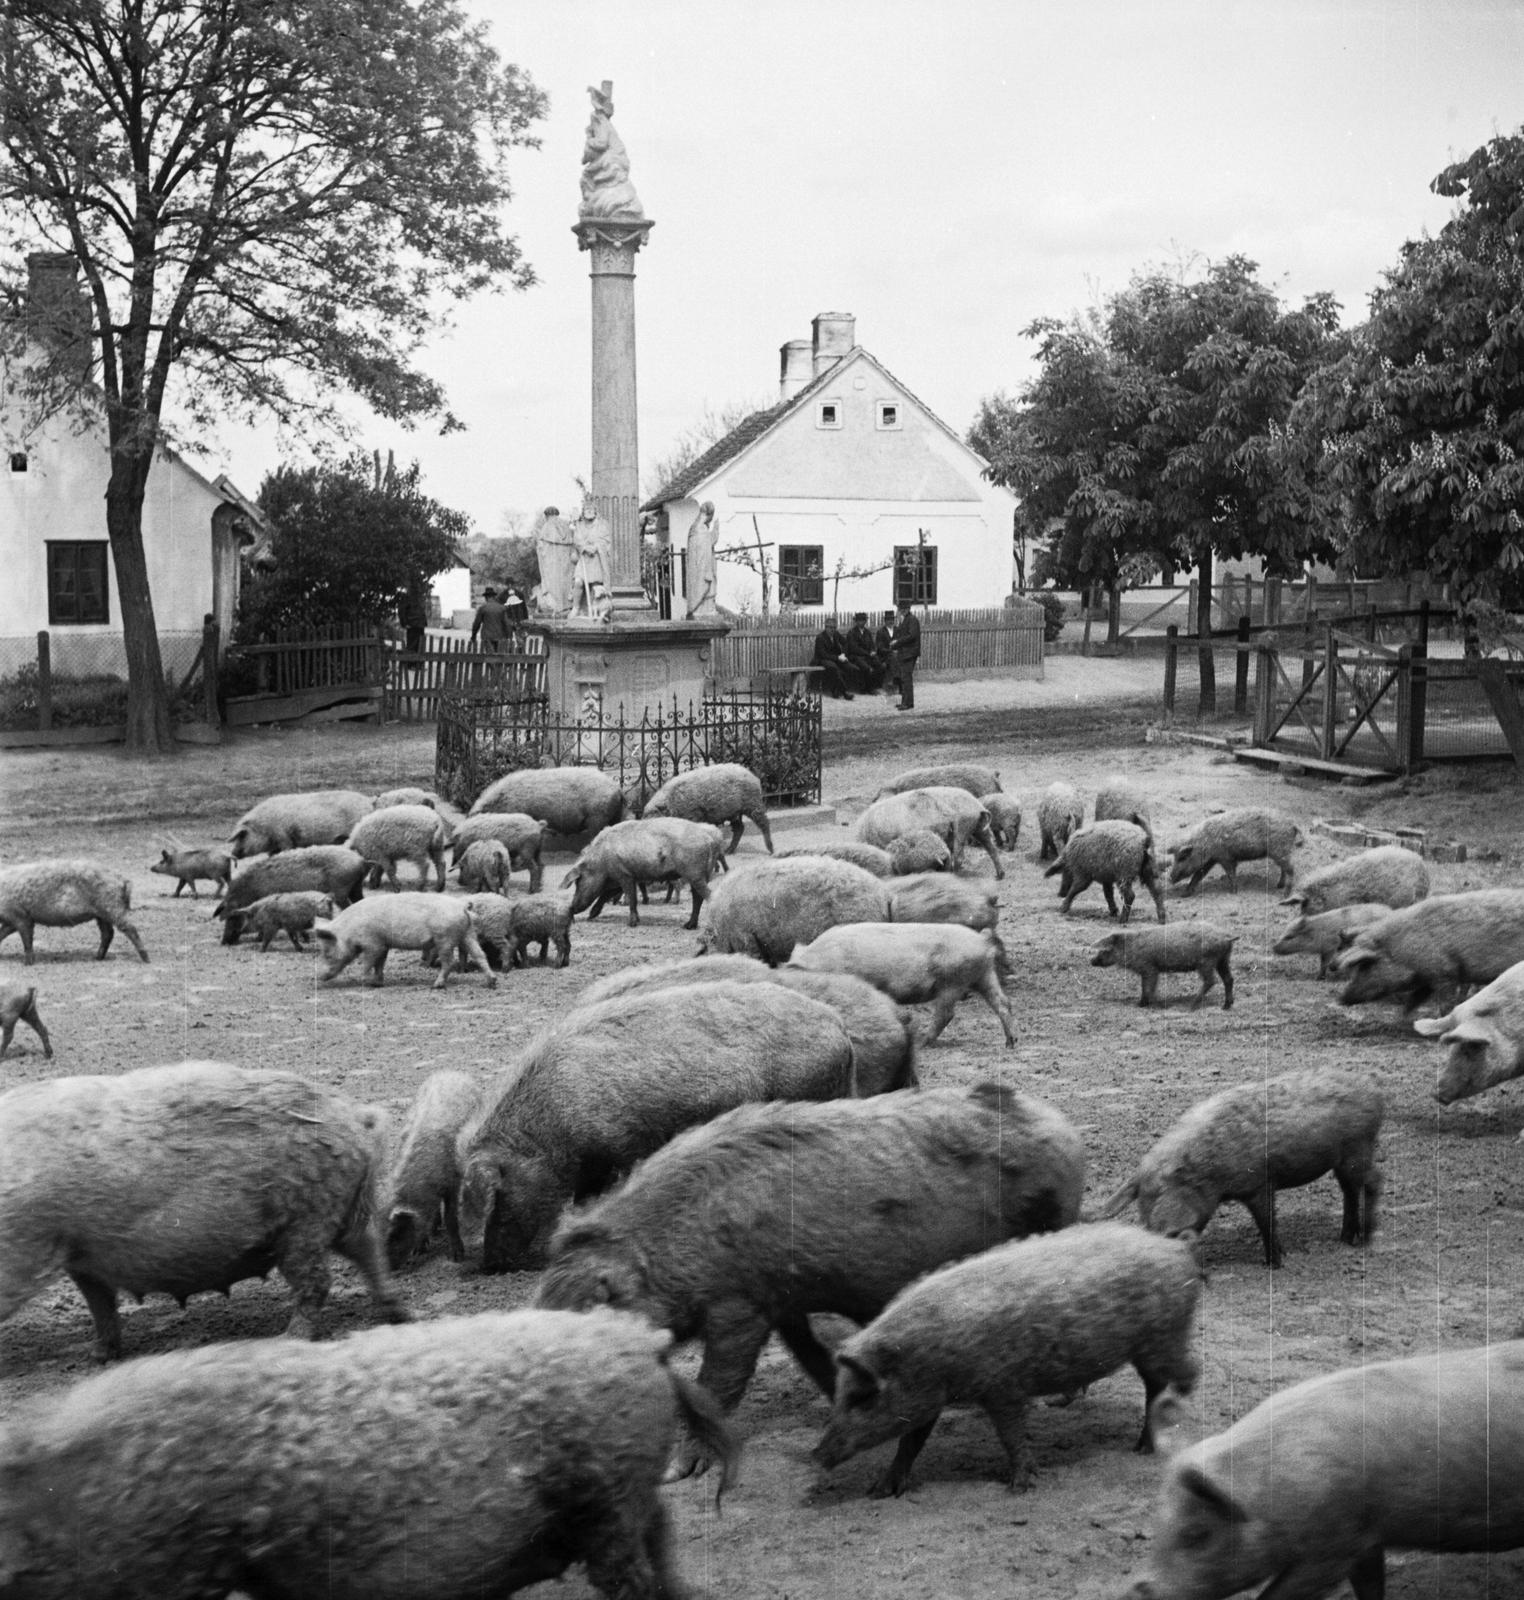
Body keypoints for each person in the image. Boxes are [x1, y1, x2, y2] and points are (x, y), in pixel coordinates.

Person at [685, 501, 718, 618]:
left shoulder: (695, 528)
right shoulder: (700, 529)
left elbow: (707, 544)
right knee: (703, 590)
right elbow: (705, 548)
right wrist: (715, 532)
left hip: (698, 569)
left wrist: (713, 533)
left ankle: (703, 609)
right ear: (709, 515)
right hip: (701, 570)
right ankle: (702, 609)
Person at [811, 619, 857, 699]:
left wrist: (843, 654)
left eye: (834, 628)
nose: (832, 630)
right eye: (830, 628)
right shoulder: (820, 638)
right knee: (834, 668)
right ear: (826, 627)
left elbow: (846, 643)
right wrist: (838, 658)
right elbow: (823, 654)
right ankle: (844, 692)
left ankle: (836, 690)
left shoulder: (836, 634)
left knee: (850, 667)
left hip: (834, 658)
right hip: (821, 660)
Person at [891, 598, 921, 710]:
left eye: (903, 609)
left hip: (910, 653)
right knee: (905, 678)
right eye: (900, 609)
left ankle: (907, 703)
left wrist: (897, 642)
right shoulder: (905, 620)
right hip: (906, 652)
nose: (901, 611)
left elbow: (911, 636)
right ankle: (907, 702)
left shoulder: (912, 620)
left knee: (906, 678)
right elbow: (902, 634)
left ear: (908, 609)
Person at [844, 611, 882, 692]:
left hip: (867, 655)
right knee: (866, 667)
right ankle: (867, 688)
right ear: (856, 622)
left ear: (865, 621)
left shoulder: (867, 632)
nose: (861, 622)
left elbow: (872, 644)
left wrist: (872, 651)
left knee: (878, 663)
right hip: (855, 656)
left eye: (863, 620)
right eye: (859, 620)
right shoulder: (852, 633)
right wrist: (868, 653)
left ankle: (876, 686)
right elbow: (854, 648)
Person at [469, 586, 511, 654]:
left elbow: (477, 623)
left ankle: (491, 664)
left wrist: (473, 635)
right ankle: (497, 664)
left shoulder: (483, 608)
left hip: (487, 636)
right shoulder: (502, 608)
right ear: (494, 596)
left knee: (490, 656)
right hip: (500, 635)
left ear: (486, 597)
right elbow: (506, 623)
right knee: (499, 656)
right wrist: (508, 636)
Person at [875, 609, 900, 698]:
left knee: (897, 657)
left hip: (897, 655)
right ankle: (894, 680)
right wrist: (891, 651)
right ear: (885, 621)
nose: (890, 621)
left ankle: (896, 682)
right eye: (888, 619)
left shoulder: (898, 630)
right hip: (884, 656)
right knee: (894, 656)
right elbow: (880, 648)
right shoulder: (881, 632)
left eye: (892, 619)